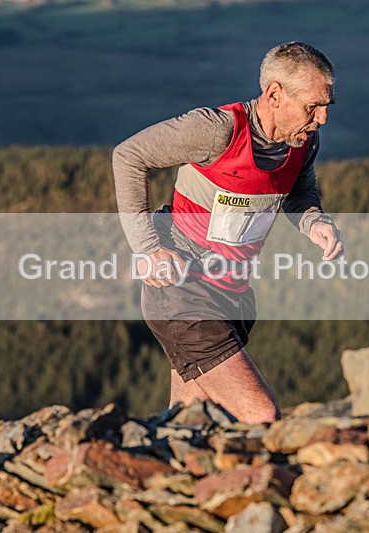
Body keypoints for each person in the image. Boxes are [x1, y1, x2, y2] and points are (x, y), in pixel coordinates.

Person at [112, 41, 344, 424]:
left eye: (326, 107)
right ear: (274, 93)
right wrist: (148, 249)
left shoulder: (303, 141)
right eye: (311, 108)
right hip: (183, 288)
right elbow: (129, 156)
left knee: (190, 422)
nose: (321, 119)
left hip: (231, 293)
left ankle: (169, 478)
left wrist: (314, 222)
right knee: (260, 416)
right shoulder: (217, 130)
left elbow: (299, 192)